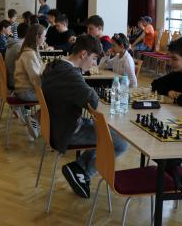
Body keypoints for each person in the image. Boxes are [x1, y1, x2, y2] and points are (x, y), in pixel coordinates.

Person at [42, 35, 128, 198]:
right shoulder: (69, 74)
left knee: (105, 131)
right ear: (83, 54)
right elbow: (92, 99)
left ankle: (79, 168)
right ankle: (83, 171)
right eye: (94, 58)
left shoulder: (56, 66)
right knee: (121, 143)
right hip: (67, 130)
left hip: (57, 124)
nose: (94, 63)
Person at [14, 24, 46, 139]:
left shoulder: (29, 51)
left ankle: (39, 120)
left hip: (24, 89)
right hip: (26, 92)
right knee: (56, 97)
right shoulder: (29, 54)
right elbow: (35, 80)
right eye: (44, 36)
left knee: (56, 95)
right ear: (37, 37)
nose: (45, 39)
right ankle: (35, 118)